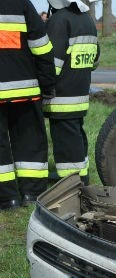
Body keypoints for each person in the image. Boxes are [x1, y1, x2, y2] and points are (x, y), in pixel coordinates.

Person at [0, 0, 56, 210]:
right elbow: (42, 47)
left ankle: (7, 199)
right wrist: (48, 84)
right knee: (30, 143)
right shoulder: (21, 3)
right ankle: (31, 194)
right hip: (25, 90)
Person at [44, 0, 99, 184]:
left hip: (61, 95)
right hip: (81, 92)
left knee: (65, 141)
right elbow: (95, 59)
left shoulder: (59, 20)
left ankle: (70, 184)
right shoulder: (88, 20)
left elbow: (52, 63)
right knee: (76, 135)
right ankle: (81, 177)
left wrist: (44, 86)